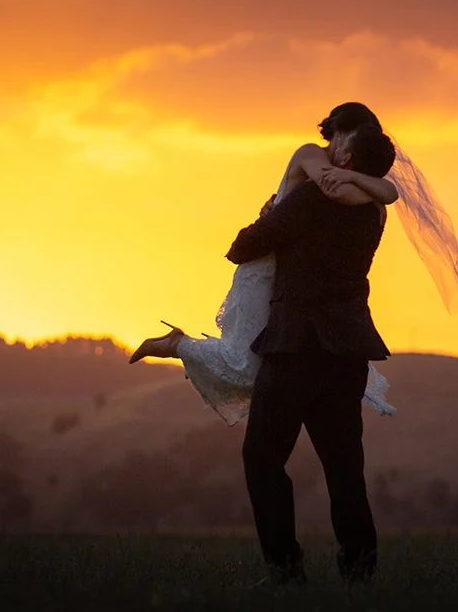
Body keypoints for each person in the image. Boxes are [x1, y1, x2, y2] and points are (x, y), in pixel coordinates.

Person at [129, 103, 400, 424]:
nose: (347, 151)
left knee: (255, 364)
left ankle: (180, 347)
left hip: (289, 268)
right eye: (351, 138)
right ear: (338, 133)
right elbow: (335, 188)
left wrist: (370, 185)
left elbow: (387, 191)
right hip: (263, 263)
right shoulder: (311, 153)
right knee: (245, 362)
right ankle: (176, 345)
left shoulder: (350, 176)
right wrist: (368, 186)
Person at [226, 123, 397, 584]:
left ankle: (285, 568)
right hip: (347, 352)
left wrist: (268, 213)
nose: (330, 145)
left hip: (295, 346)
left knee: (263, 458)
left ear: (347, 159)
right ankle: (360, 570)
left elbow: (241, 249)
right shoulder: (375, 215)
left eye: (340, 141)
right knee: (344, 466)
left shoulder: (306, 200)